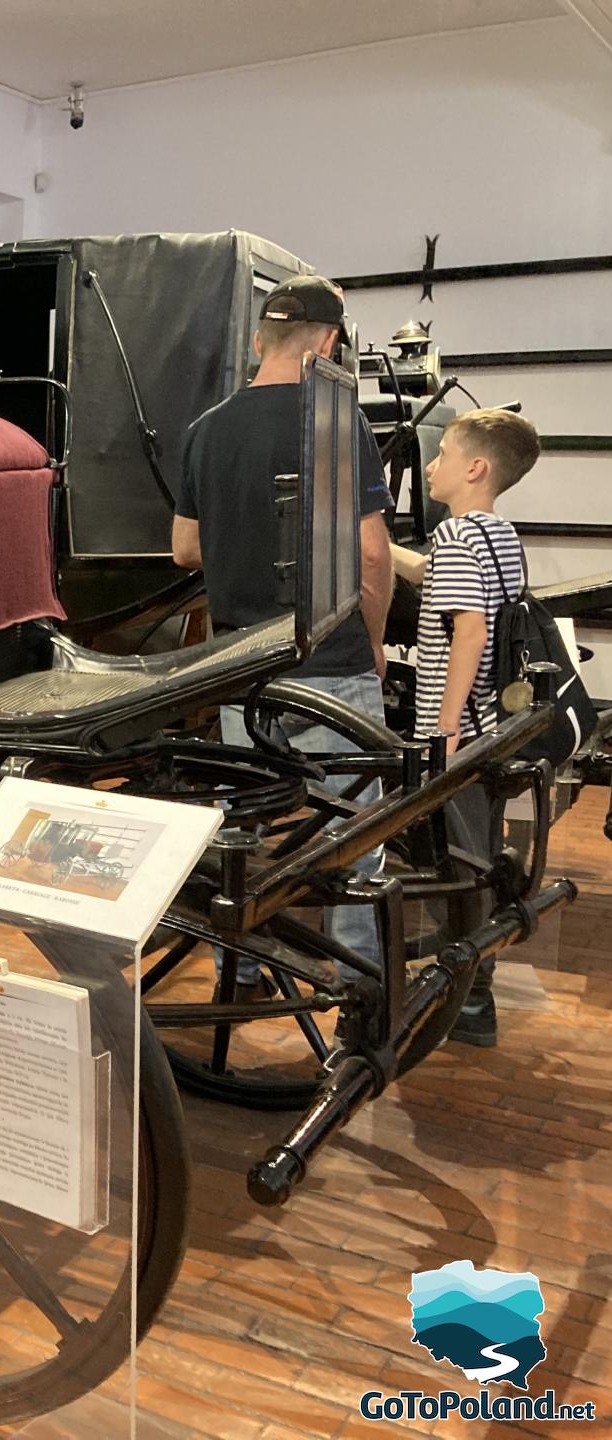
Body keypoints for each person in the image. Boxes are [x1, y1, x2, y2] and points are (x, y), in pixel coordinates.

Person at [172, 274, 394, 1003]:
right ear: (328, 343)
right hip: (330, 665)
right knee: (353, 838)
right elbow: (369, 555)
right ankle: (356, 992)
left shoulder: (206, 429)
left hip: (243, 669)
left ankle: (237, 977)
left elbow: (183, 550)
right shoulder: (337, 421)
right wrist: (377, 640)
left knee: (249, 834)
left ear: (259, 339)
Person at [390, 407, 541, 1046]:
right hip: (497, 723)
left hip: (462, 727)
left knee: (463, 863)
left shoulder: (456, 538)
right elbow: (436, 580)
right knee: (477, 851)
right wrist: (373, 543)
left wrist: (445, 729)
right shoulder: (496, 534)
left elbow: (469, 631)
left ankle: (471, 1002)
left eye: (443, 453)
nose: (431, 464)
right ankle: (470, 978)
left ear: (474, 467)